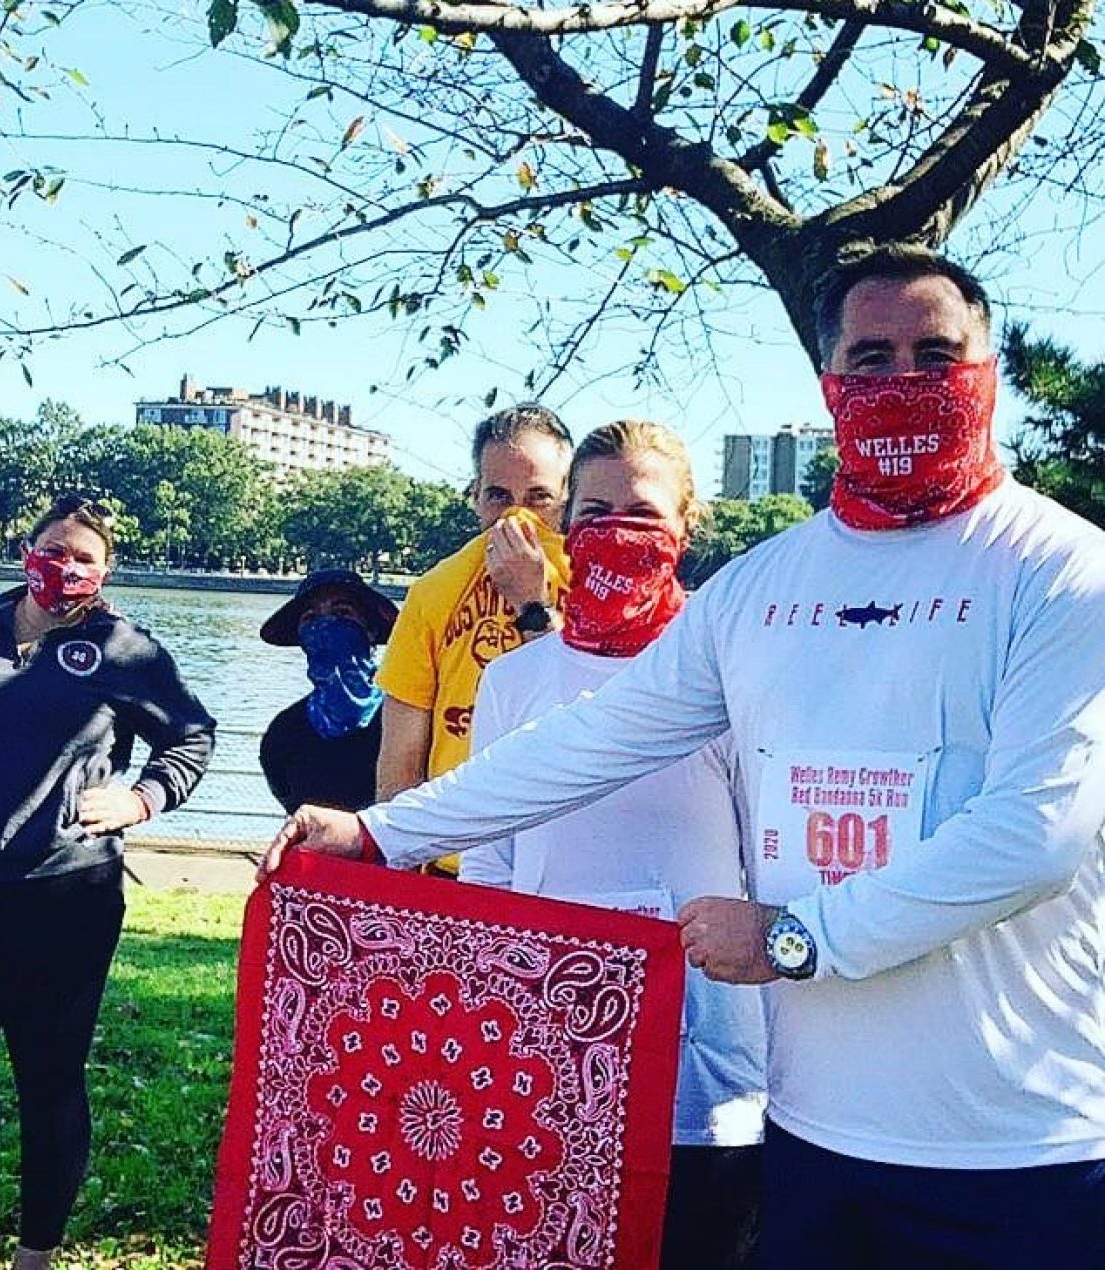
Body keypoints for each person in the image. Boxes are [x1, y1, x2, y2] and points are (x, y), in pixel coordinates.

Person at [268, 246, 1105, 1268]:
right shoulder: (763, 590)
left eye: (936, 354)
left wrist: (798, 938)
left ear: (990, 372)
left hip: (1028, 1143)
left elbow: (1034, 836)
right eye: (871, 355)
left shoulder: (1067, 571)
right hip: (816, 1135)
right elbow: (590, 740)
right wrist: (380, 829)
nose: (902, 383)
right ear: (828, 379)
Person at [452, 420, 767, 1269]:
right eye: (595, 510)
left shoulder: (733, 670)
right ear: (565, 528)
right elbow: (489, 858)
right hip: (552, 1051)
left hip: (706, 1065)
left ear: (685, 530)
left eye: (643, 511)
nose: (617, 531)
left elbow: (771, 854)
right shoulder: (515, 679)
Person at [0, 493, 216, 1270]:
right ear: (25, 551)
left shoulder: (125, 649)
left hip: (64, 896)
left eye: (85, 557)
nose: (66, 567)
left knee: (49, 1080)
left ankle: (36, 1252)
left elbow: (191, 736)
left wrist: (142, 798)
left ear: (105, 570)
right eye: (55, 550)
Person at [374, 404, 573, 873]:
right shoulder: (434, 593)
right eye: (500, 496)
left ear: (567, 499)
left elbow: (587, 707)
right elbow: (400, 762)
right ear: (476, 497)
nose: (519, 518)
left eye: (539, 497)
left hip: (563, 865)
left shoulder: (592, 586)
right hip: (454, 866)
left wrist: (532, 602)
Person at [256, 568, 400, 813]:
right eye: (310, 618)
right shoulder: (283, 734)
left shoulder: (406, 718)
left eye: (343, 612)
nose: (326, 625)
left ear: (370, 630)